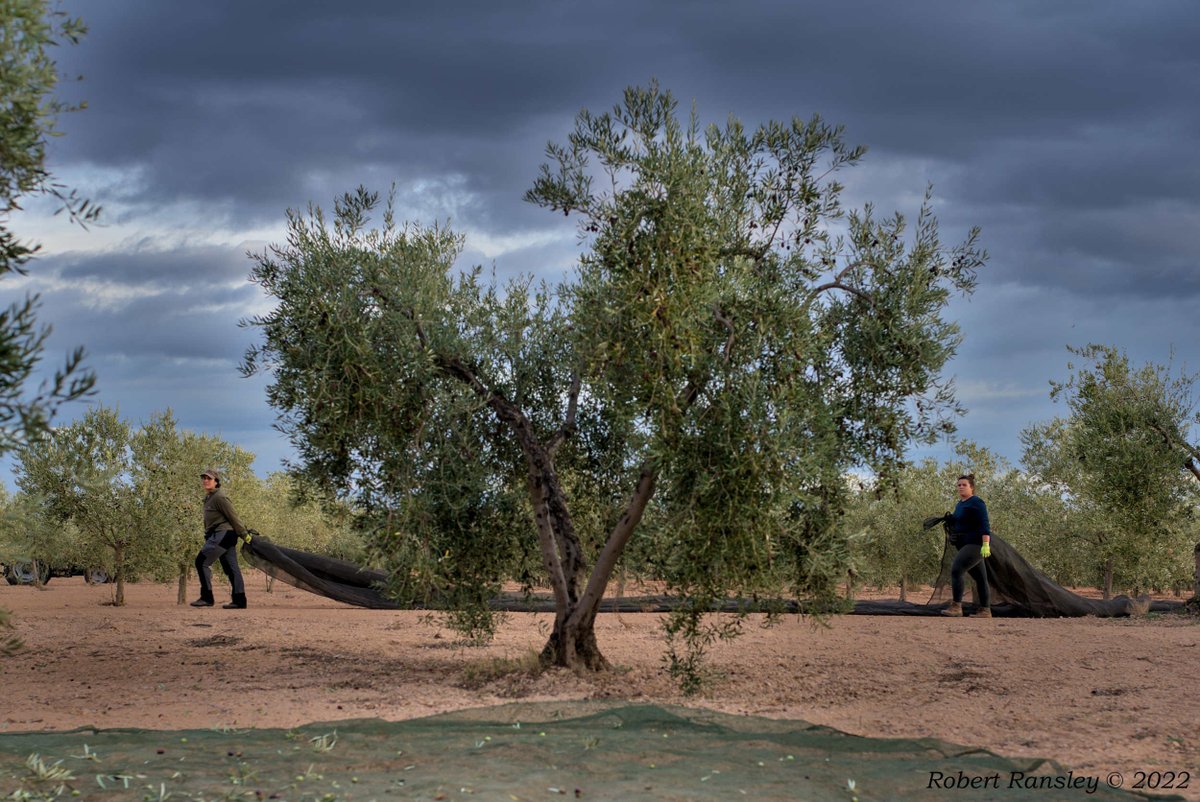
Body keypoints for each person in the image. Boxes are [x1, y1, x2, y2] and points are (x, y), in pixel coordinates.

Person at [192, 468, 249, 609]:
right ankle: (239, 601)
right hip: (220, 535)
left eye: (209, 478)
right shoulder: (209, 498)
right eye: (204, 478)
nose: (205, 481)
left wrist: (244, 535)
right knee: (231, 567)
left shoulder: (220, 497)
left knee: (201, 562)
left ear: (216, 482)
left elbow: (233, 517)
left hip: (223, 534)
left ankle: (207, 598)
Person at [942, 473, 992, 618]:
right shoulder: (960, 504)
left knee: (956, 570)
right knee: (981, 578)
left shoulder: (977, 502)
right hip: (965, 544)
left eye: (964, 485)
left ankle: (957, 607)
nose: (961, 487)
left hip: (976, 545)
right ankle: (985, 611)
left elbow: (985, 524)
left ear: (972, 488)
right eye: (959, 485)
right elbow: (961, 523)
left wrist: (986, 544)